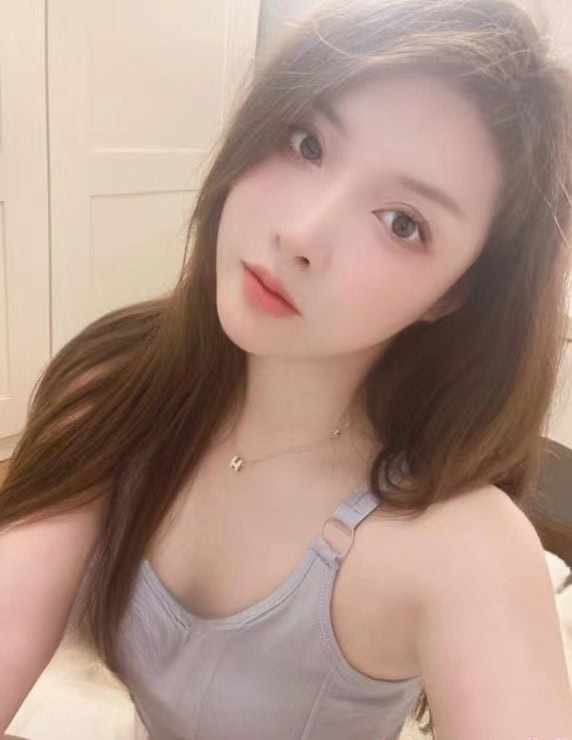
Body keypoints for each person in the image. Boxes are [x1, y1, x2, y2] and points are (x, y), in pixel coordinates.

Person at [2, 0, 572, 737]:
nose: (300, 233)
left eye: (402, 222)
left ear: (455, 293)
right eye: (306, 143)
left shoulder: (461, 549)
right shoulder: (118, 384)